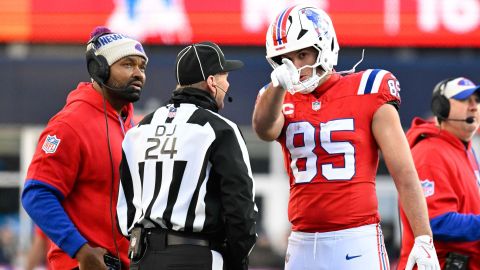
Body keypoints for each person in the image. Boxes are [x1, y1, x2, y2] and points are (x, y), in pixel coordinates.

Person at [252, 4, 440, 270]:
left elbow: (405, 173)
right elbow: (263, 129)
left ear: (324, 46)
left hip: (356, 239)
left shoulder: (368, 89)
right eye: (286, 59)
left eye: (302, 55)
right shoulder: (277, 98)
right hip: (302, 241)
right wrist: (276, 87)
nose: (295, 67)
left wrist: (423, 237)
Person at [117, 41, 257, 270]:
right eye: (224, 77)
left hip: (142, 257)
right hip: (195, 256)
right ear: (212, 82)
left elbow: (124, 204)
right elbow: (241, 208)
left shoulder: (140, 128)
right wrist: (236, 259)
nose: (227, 84)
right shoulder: (218, 128)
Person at [21, 26, 148, 269]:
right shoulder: (69, 124)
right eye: (128, 64)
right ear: (99, 69)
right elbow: (36, 194)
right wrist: (81, 250)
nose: (138, 74)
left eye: (142, 67)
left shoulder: (131, 126)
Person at [399, 77, 480, 269]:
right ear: (441, 107)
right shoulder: (430, 152)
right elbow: (436, 222)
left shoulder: (465, 149)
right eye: (464, 100)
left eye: (476, 100)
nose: (474, 106)